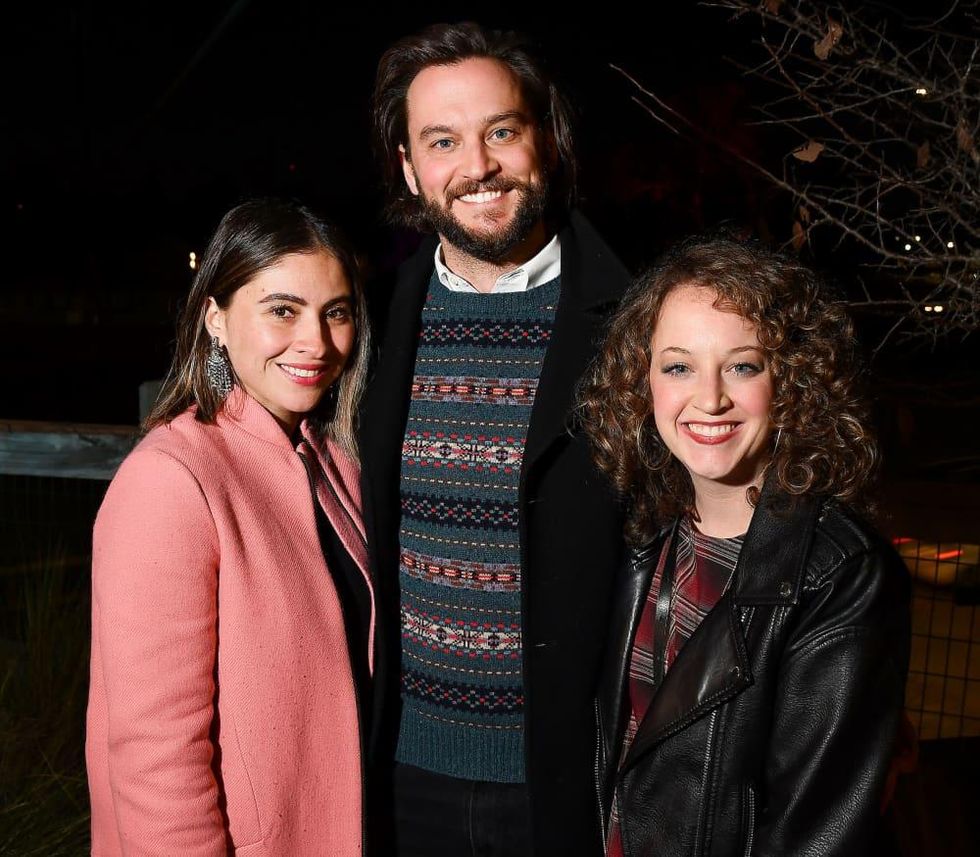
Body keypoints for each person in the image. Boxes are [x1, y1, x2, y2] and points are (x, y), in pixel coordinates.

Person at [361, 21, 631, 856]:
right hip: (402, 774)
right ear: (410, 166)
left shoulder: (642, 320)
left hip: (574, 781)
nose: (475, 166)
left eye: (500, 132)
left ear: (544, 139)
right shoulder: (366, 325)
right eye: (442, 141)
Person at [580, 236, 911, 856]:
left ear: (792, 380)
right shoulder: (642, 534)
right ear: (640, 381)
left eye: (743, 365)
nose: (709, 399)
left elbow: (816, 835)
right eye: (679, 366)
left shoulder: (841, 573)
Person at [86, 198, 373, 856]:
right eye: (282, 310)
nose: (317, 342)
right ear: (215, 317)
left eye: (336, 312)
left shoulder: (331, 464)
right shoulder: (171, 479)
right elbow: (155, 758)